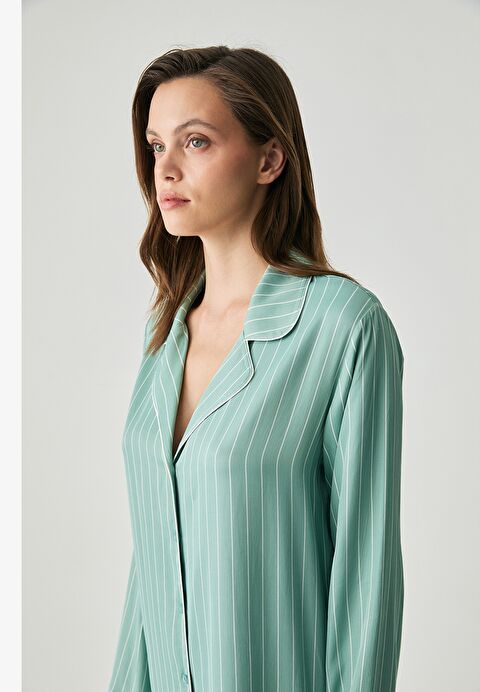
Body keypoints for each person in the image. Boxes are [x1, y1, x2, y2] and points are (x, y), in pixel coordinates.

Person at [108, 45, 405, 692]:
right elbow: (151, 575)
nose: (166, 169)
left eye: (196, 141)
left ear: (269, 159)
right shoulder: (164, 338)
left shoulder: (342, 326)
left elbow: (367, 575)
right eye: (156, 146)